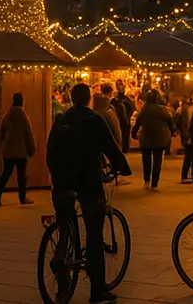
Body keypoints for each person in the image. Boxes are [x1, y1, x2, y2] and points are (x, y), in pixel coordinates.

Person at [46, 84, 132, 303]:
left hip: (63, 181)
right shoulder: (94, 120)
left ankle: (62, 282)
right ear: (88, 100)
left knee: (66, 227)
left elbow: (50, 149)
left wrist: (57, 177)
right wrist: (123, 167)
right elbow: (110, 148)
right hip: (88, 182)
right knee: (94, 234)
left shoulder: (61, 119)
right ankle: (97, 289)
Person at [0, 92, 37, 206]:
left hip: (9, 150)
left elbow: (2, 130)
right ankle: (22, 198)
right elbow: (28, 132)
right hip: (21, 150)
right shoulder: (22, 114)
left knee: (5, 174)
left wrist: (1, 144)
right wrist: (32, 147)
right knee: (21, 176)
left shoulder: (8, 114)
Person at [132, 89, 175, 190]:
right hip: (160, 139)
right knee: (157, 160)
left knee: (146, 160)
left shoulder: (144, 110)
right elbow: (170, 122)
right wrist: (173, 132)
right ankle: (154, 183)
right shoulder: (163, 109)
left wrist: (134, 134)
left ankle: (146, 181)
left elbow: (138, 123)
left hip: (146, 137)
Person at [177, 94, 193, 182]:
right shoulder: (190, 110)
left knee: (189, 156)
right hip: (190, 136)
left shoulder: (186, 109)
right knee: (190, 156)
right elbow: (187, 124)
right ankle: (188, 175)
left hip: (187, 135)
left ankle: (186, 175)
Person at [110, 82, 135, 152]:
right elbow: (132, 108)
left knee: (120, 133)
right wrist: (128, 115)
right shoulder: (127, 100)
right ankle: (124, 148)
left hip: (119, 119)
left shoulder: (115, 100)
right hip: (125, 119)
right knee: (124, 134)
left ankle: (120, 148)